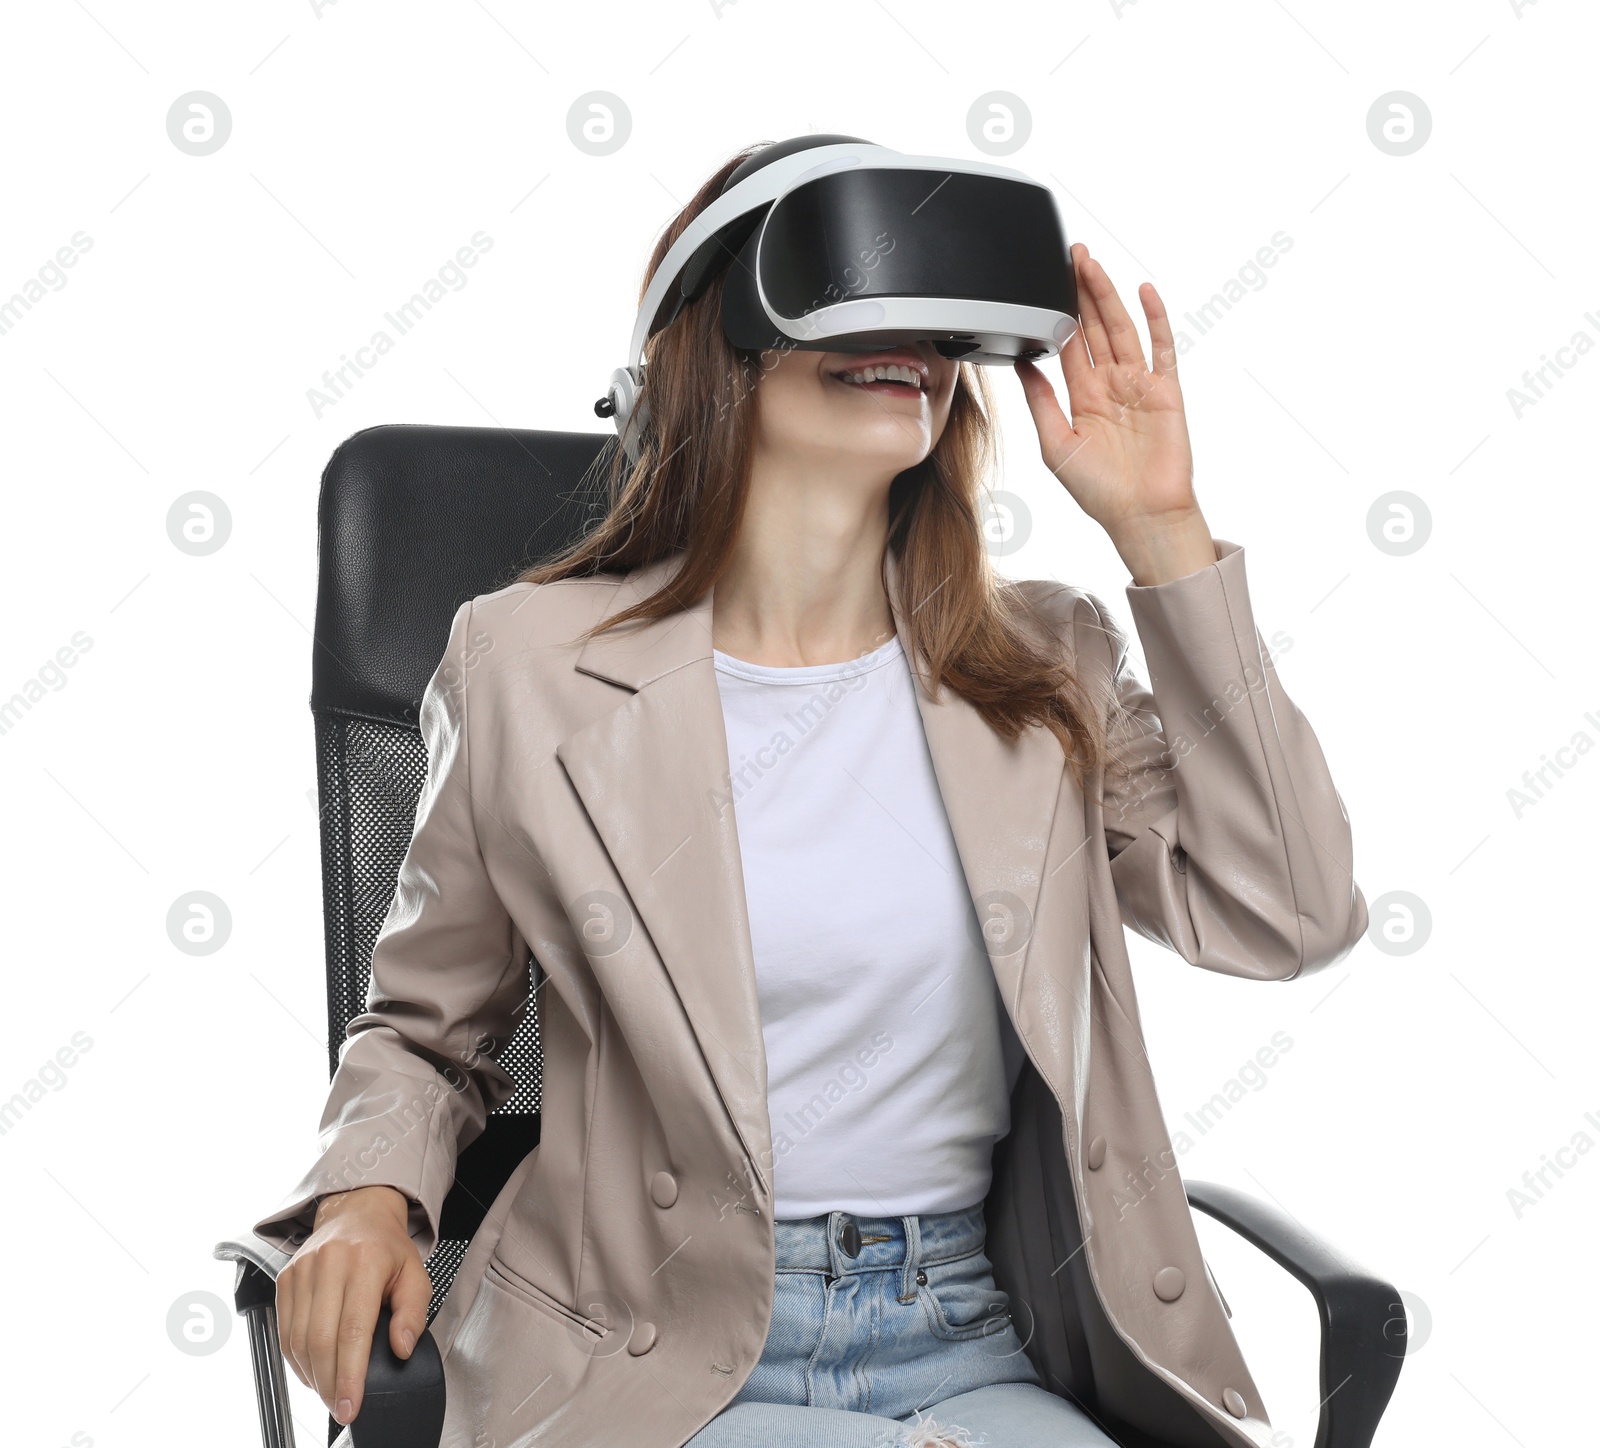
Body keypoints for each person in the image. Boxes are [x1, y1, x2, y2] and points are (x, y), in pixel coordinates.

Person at [258, 140, 1366, 1448]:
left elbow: (1286, 911)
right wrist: (365, 1202)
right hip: (650, 1347)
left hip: (973, 1334)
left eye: (940, 321)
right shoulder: (530, 664)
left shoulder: (1039, 665)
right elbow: (426, 1029)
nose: (914, 341)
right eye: (865, 293)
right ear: (714, 338)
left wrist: (1164, 535)